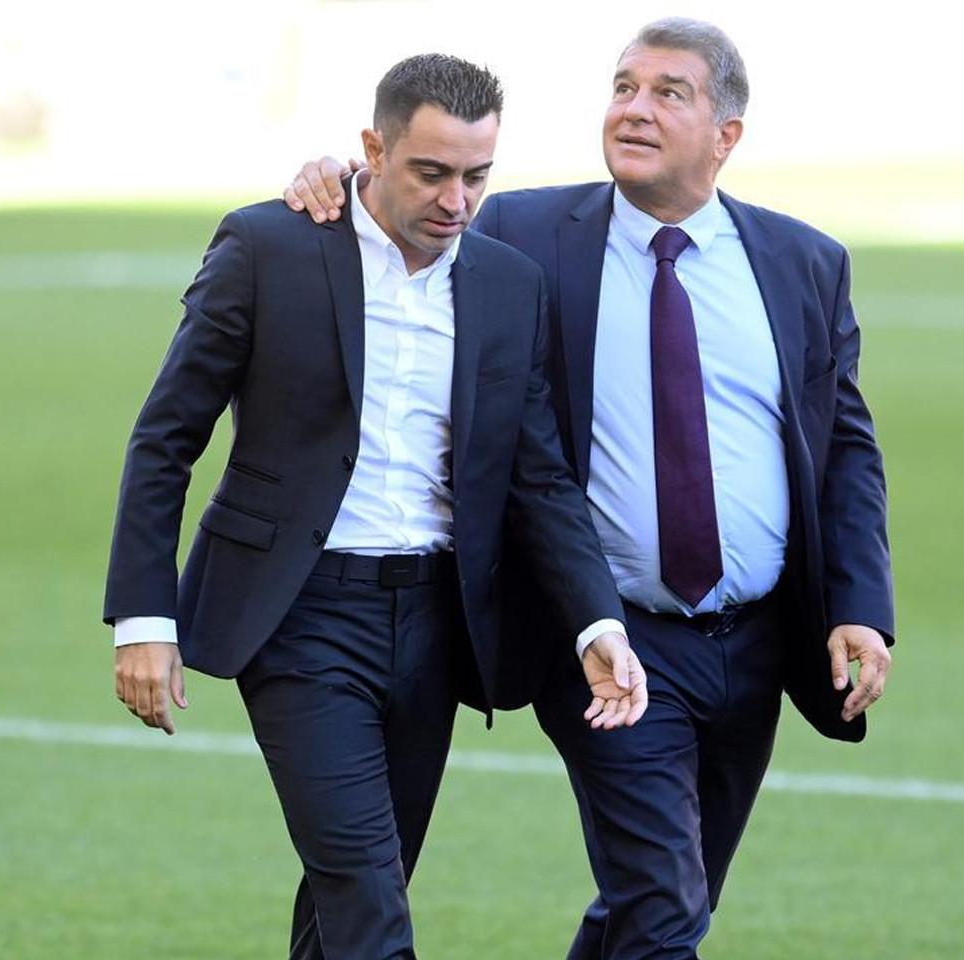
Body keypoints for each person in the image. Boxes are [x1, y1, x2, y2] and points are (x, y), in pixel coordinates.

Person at [285, 18, 895, 958]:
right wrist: (325, 177)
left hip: (757, 641)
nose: (634, 108)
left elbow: (844, 446)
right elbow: (401, 201)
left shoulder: (804, 263)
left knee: (667, 902)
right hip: (608, 632)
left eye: (668, 92)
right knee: (660, 903)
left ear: (726, 133)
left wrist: (859, 604)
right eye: (623, 86)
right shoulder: (525, 233)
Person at [104, 53, 648, 960]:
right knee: (370, 905)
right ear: (372, 150)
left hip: (439, 623)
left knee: (357, 892)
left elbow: (540, 479)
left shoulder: (510, 286)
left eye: (477, 176)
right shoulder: (266, 248)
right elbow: (167, 436)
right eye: (431, 172)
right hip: (299, 615)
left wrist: (599, 625)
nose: (456, 200)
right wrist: (142, 618)